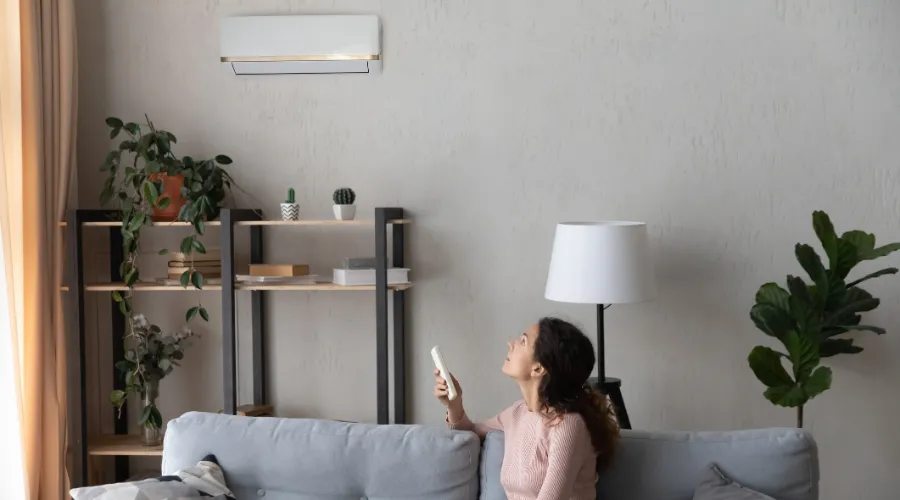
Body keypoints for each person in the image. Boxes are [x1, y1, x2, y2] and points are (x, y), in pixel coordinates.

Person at [434, 317, 619, 500]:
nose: (510, 343)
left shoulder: (568, 425)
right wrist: (454, 403)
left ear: (538, 369)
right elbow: (470, 431)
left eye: (522, 341)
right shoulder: (518, 413)